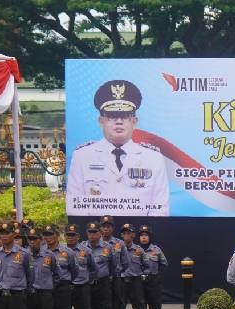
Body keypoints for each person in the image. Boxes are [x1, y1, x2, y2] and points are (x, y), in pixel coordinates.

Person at [67, 80, 169, 216]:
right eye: (112, 116)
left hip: (139, 233)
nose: (119, 121)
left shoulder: (153, 158)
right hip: (96, 234)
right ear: (101, 121)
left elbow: (160, 208)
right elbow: (75, 205)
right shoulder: (83, 156)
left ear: (134, 121)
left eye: (125, 116)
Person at [42, 224, 77, 309]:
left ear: (57, 235)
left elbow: (74, 271)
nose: (48, 237)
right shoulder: (41, 251)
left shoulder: (67, 252)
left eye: (51, 234)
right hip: (46, 289)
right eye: (46, 235)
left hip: (62, 288)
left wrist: (65, 284)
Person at [83, 221, 117, 309]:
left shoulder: (108, 248)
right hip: (87, 285)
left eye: (95, 232)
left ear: (100, 233)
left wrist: (108, 277)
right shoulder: (81, 248)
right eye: (90, 232)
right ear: (87, 233)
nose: (92, 235)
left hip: (103, 283)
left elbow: (114, 266)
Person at [65, 223, 97, 309]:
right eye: (68, 235)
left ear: (78, 236)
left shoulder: (86, 251)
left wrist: (87, 281)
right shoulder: (60, 251)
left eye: (73, 235)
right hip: (66, 288)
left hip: (82, 287)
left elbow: (94, 269)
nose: (70, 237)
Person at [120, 223, 149, 309]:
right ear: (121, 235)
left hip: (135, 281)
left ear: (133, 235)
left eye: (129, 232)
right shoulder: (116, 248)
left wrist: (143, 275)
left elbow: (147, 265)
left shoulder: (139, 250)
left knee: (139, 307)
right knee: (119, 308)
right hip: (121, 281)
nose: (126, 235)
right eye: (124, 232)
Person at [100, 215, 126, 309]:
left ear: (112, 228)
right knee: (103, 308)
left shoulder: (119, 243)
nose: (106, 229)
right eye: (103, 227)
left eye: (108, 227)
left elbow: (125, 262)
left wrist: (118, 272)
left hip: (116, 279)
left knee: (117, 307)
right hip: (101, 280)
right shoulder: (94, 244)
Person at [139, 225, 168, 309]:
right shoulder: (135, 249)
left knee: (155, 308)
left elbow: (164, 264)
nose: (144, 238)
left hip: (153, 281)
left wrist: (156, 275)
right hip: (139, 281)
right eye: (142, 235)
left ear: (150, 237)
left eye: (146, 235)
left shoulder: (156, 250)